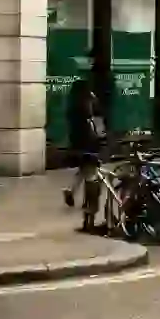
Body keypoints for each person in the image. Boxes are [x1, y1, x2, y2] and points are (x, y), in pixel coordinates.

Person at [63, 78, 104, 233]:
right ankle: (89, 211)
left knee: (85, 170)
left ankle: (71, 190)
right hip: (89, 145)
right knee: (91, 174)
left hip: (78, 145)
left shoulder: (73, 106)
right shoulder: (88, 104)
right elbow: (96, 123)